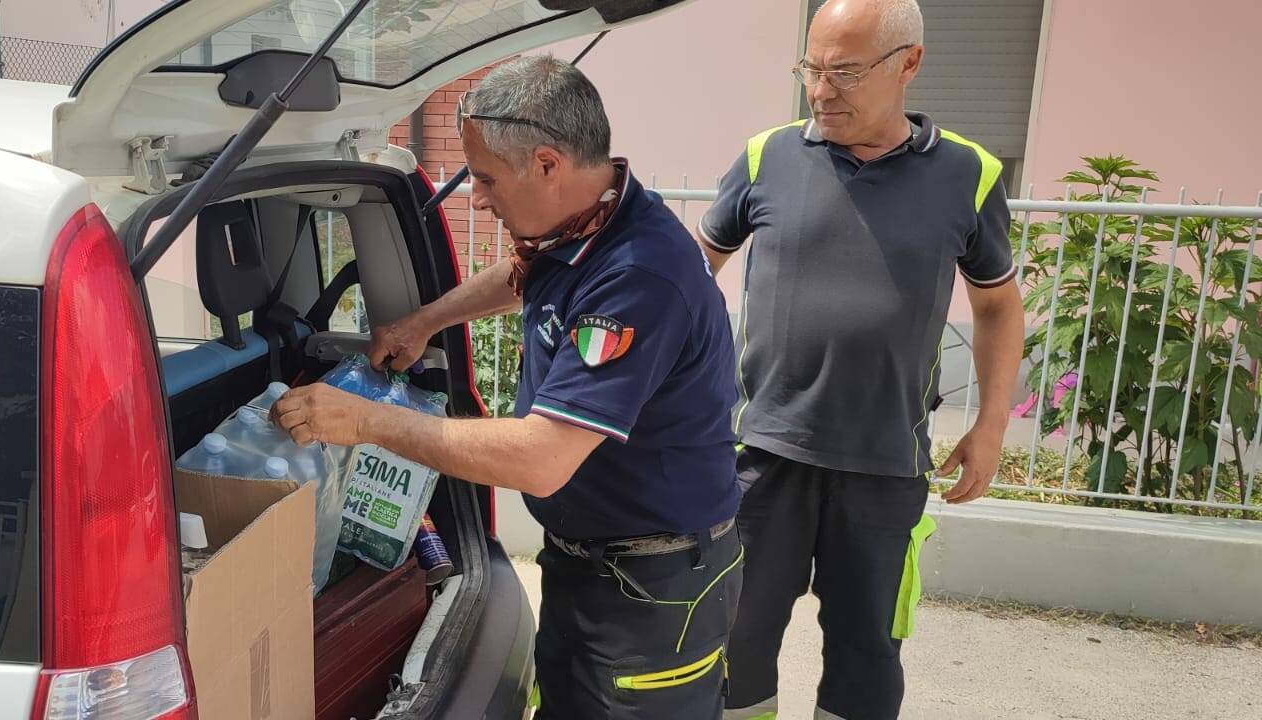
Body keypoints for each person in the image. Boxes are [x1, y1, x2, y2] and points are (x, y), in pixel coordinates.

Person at [272, 55, 743, 718]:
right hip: (596, 567)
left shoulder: (640, 277)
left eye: (487, 179)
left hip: (653, 596)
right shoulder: (586, 222)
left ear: (548, 163)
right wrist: (425, 320)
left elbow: (540, 459)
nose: (481, 197)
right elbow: (523, 276)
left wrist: (365, 421)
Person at [695, 1, 1027, 718]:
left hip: (885, 468)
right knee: (734, 639)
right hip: (761, 458)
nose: (821, 90)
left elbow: (999, 305)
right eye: (811, 69)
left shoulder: (969, 174)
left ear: (909, 63)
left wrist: (991, 424)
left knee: (867, 651)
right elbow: (694, 272)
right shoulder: (767, 156)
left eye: (844, 72)